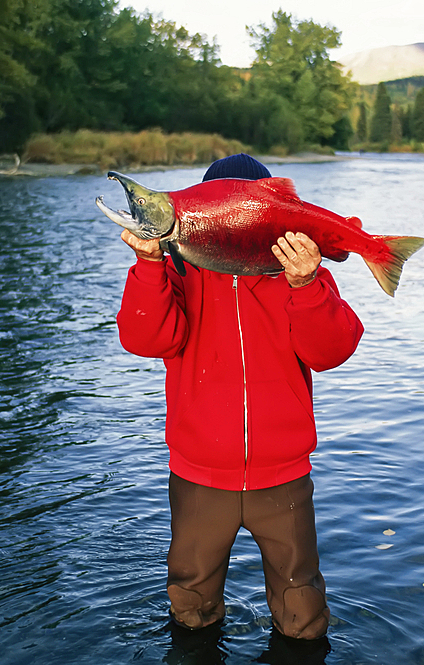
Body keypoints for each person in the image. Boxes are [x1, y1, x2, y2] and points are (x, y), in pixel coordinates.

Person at [115, 153, 364, 641]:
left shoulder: (299, 274)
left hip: (284, 478)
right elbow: (146, 339)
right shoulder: (177, 275)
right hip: (199, 477)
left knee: (303, 614)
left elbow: (331, 351)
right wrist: (148, 265)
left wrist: (307, 284)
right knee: (191, 604)